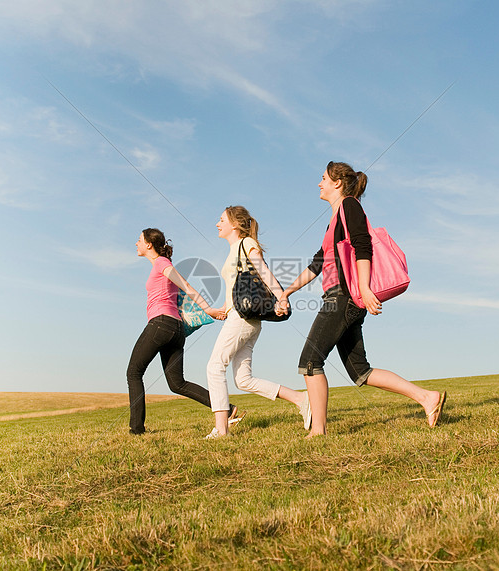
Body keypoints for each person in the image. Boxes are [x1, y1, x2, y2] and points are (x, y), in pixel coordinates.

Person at [278, 162, 446, 437]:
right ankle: (427, 397)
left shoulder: (349, 206)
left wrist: (365, 289)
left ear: (337, 183)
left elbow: (362, 245)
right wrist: (287, 291)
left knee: (311, 362)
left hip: (343, 297)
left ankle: (318, 430)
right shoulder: (334, 219)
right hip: (341, 297)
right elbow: (317, 263)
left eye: (323, 179)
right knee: (361, 372)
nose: (319, 183)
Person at [204, 206, 311, 439]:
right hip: (243, 318)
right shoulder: (233, 250)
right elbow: (235, 288)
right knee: (243, 380)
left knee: (214, 366)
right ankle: (301, 399)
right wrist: (221, 309)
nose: (217, 224)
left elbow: (264, 273)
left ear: (234, 224)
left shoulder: (246, 244)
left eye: (221, 219)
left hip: (242, 319)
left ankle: (222, 430)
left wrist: (281, 297)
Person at [127, 228, 243, 435]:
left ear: (149, 244)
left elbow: (187, 285)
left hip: (161, 324)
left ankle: (136, 430)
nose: (136, 243)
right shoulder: (158, 266)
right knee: (177, 383)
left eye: (139, 240)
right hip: (176, 329)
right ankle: (228, 409)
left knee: (134, 372)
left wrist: (208, 309)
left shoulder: (162, 263)